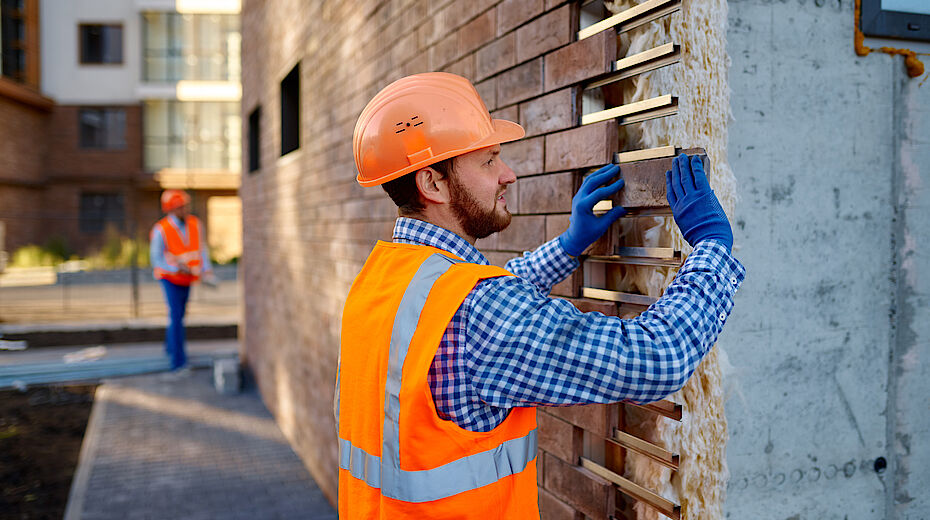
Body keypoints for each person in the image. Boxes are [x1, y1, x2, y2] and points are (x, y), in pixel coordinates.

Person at [336, 72, 745, 518]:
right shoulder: (478, 311)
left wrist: (571, 243)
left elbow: (482, 305)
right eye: (489, 160)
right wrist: (712, 251)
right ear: (433, 183)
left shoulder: (380, 282)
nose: (507, 175)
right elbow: (656, 359)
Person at [150, 189, 214, 373]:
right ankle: (178, 361)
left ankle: (170, 347)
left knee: (178, 316)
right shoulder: (161, 229)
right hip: (169, 278)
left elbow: (201, 249)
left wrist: (206, 270)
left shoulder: (195, 224)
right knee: (176, 316)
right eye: (179, 207)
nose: (183, 210)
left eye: (184, 206)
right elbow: (156, 258)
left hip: (187, 278)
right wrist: (175, 268)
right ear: (170, 209)